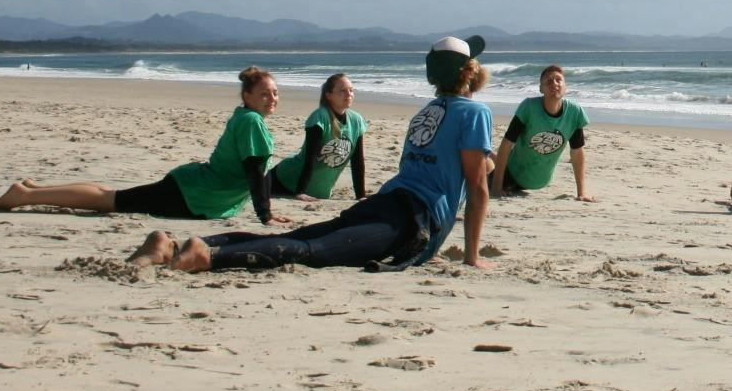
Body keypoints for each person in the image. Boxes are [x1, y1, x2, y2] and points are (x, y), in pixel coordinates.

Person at [129, 37, 497, 274]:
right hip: (412, 220)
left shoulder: (427, 111)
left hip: (389, 200)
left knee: (302, 234)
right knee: (312, 250)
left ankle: (172, 245)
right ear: (470, 72)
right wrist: (471, 255)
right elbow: (477, 188)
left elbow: (436, 164)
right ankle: (207, 256)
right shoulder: (475, 113)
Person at [0, 66, 289, 226]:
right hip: (194, 194)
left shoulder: (245, 117)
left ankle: (35, 189)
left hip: (195, 188)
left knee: (110, 195)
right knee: (108, 201)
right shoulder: (252, 122)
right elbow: (255, 172)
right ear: (247, 95)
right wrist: (265, 215)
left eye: (275, 93)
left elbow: (254, 172)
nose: (272, 99)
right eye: (264, 93)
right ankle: (25, 194)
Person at [490, 65, 592, 202]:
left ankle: (489, 155)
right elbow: (507, 144)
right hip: (512, 173)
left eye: (558, 80)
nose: (554, 84)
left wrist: (582, 193)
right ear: (540, 89)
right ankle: (487, 155)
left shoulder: (574, 112)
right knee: (480, 175)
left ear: (565, 86)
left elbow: (577, 152)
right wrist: (496, 187)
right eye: (549, 81)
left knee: (491, 160)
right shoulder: (529, 108)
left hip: (540, 181)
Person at [271, 74, 367, 202]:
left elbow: (357, 161)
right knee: (246, 185)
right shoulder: (320, 118)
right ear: (329, 96)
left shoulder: (356, 120)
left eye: (351, 90)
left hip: (320, 191)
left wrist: (361, 196)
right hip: (286, 180)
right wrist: (300, 192)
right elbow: (309, 158)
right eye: (342, 91)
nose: (349, 94)